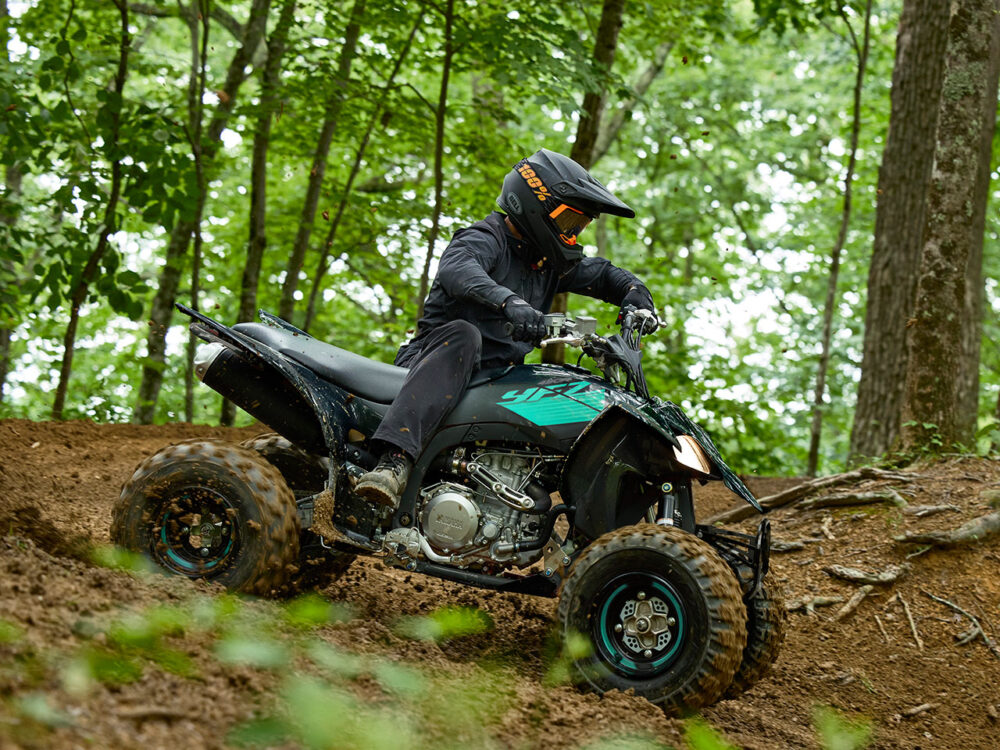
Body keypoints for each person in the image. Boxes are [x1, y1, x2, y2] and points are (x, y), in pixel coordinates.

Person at [354, 148, 655, 510]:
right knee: (466, 333)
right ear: (536, 203)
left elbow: (604, 274)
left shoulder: (544, 262)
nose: (572, 234)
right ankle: (393, 462)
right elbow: (458, 270)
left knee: (557, 380)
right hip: (430, 367)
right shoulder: (486, 238)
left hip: (494, 380)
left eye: (579, 227)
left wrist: (636, 296)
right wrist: (509, 302)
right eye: (567, 222)